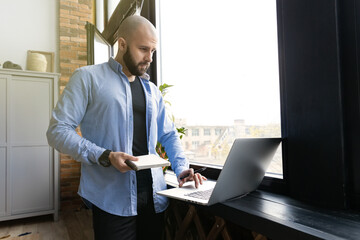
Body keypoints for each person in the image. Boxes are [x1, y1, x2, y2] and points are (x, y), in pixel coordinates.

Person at [46, 15, 206, 240]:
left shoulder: (152, 91)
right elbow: (57, 131)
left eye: (152, 51)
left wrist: (182, 169)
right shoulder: (87, 78)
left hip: (154, 197)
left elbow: (169, 135)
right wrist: (105, 156)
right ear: (121, 44)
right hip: (112, 200)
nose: (149, 58)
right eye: (143, 49)